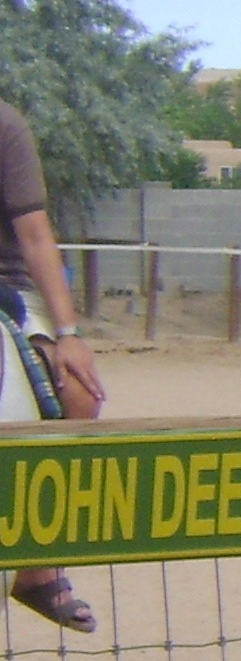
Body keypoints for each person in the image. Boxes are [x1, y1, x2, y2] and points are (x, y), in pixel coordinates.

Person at [0, 100, 104, 633]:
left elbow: (36, 235)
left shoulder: (5, 125)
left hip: (6, 289)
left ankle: (37, 569)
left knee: (80, 394)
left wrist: (68, 334)